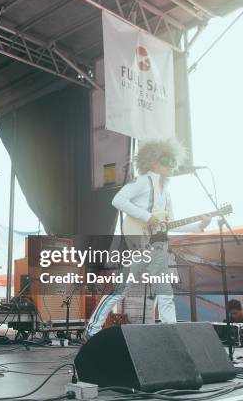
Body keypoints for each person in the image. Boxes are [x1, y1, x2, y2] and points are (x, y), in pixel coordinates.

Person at [84, 139, 210, 340]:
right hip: (137, 245)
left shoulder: (166, 194)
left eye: (172, 161)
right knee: (120, 291)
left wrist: (200, 225)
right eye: (166, 160)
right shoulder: (141, 181)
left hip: (158, 249)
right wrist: (147, 217)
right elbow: (117, 200)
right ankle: (92, 328)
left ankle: (172, 334)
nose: (171, 165)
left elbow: (170, 225)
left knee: (165, 294)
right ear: (153, 162)